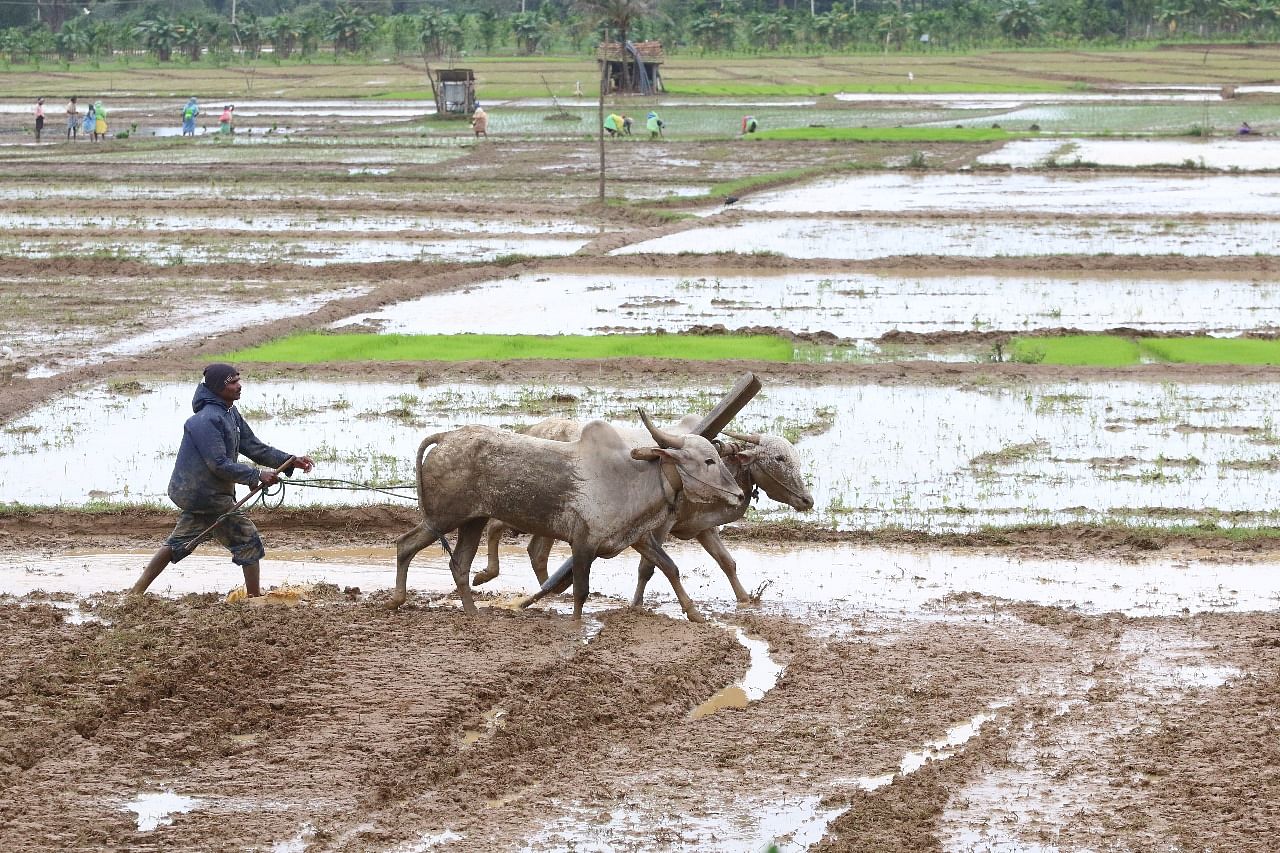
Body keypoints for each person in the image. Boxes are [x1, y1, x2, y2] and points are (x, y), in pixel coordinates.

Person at [131, 364, 315, 598]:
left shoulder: (230, 413)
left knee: (180, 540)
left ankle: (135, 593)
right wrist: (256, 475)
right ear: (219, 387)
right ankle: (254, 598)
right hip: (202, 492)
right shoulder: (205, 420)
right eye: (232, 382)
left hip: (204, 492)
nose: (239, 386)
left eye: (238, 380)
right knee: (247, 537)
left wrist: (289, 461)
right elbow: (217, 463)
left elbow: (252, 446)